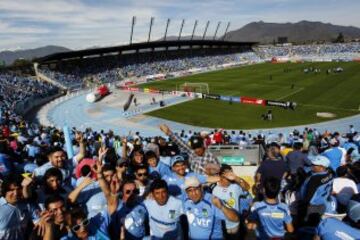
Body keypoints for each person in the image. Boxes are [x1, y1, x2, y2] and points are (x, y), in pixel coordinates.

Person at [212, 164, 251, 239]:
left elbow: (247, 187)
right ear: (221, 175)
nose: (230, 176)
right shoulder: (215, 189)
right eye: (228, 173)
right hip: (222, 226)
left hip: (235, 224)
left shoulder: (235, 187)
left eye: (231, 173)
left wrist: (236, 178)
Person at [0, 174, 40, 240]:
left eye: (18, 189)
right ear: (5, 191)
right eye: (11, 190)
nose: (16, 193)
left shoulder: (28, 204)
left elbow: (40, 223)